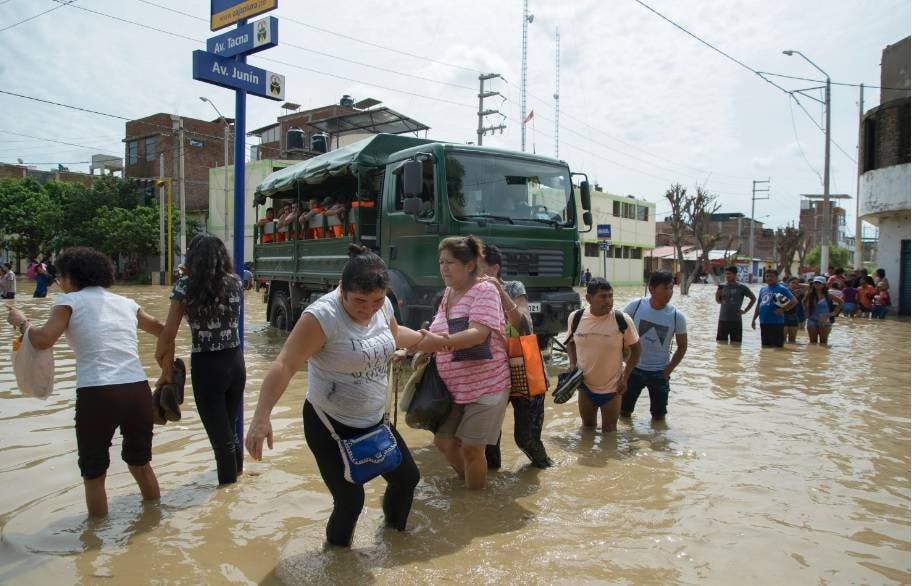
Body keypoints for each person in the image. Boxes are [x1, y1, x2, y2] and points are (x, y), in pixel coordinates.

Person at [245, 244, 424, 547]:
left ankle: (394, 541)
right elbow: (285, 364)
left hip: (374, 420)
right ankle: (338, 563)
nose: (368, 310)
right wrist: (261, 417)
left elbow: (394, 335)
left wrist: (428, 340)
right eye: (359, 302)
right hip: (330, 425)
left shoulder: (383, 306)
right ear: (342, 289)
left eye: (376, 301)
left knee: (407, 478)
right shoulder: (322, 316)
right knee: (351, 500)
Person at [6, 247, 164, 517]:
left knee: (94, 475)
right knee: (141, 464)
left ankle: (95, 545)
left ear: (70, 277)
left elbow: (44, 339)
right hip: (137, 390)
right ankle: (154, 521)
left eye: (60, 277)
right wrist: (167, 371)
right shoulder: (126, 303)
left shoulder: (69, 302)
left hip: (98, 393)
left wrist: (22, 323)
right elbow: (162, 329)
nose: (59, 283)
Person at [414, 236, 511, 490]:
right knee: (444, 443)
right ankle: (467, 483)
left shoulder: (485, 290)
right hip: (452, 389)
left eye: (451, 262)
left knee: (471, 449)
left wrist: (436, 344)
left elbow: (478, 334)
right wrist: (414, 349)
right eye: (441, 262)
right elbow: (437, 329)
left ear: (469, 265)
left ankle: (475, 505)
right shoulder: (448, 293)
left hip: (487, 386)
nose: (444, 268)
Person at [156, 234, 246, 486]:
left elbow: (169, 333)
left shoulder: (185, 285)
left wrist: (160, 359)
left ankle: (226, 498)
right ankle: (237, 481)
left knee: (221, 440)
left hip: (207, 367)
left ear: (192, 257)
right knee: (228, 429)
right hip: (236, 363)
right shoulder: (236, 282)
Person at [480, 244, 553, 469]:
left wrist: (498, 292)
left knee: (527, 439)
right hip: (490, 375)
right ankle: (489, 493)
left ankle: (546, 467)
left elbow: (523, 325)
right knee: (488, 443)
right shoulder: (470, 294)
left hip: (524, 372)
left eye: (477, 267)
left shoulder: (512, 288)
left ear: (494, 269)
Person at [567, 278, 641, 431]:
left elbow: (637, 350)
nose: (608, 301)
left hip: (613, 388)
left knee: (610, 432)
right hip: (585, 386)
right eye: (602, 296)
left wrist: (625, 377)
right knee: (587, 429)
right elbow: (570, 342)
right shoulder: (576, 318)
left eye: (610, 296)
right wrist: (572, 364)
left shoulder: (622, 320)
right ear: (589, 298)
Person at [620, 271, 687, 421]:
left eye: (671, 288)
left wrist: (668, 370)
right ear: (651, 289)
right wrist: (623, 360)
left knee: (659, 418)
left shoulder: (677, 316)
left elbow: (682, 347)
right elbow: (619, 333)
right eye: (665, 288)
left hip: (659, 373)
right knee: (623, 413)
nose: (669, 293)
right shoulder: (635, 306)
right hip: (633, 370)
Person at [751, 269, 797, 348]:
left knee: (777, 348)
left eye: (771, 276)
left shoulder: (781, 288)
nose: (769, 278)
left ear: (776, 277)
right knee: (765, 347)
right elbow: (759, 305)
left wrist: (783, 309)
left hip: (776, 323)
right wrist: (754, 319)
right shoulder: (763, 289)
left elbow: (794, 301)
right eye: (767, 276)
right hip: (764, 322)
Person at [715, 264, 756, 344]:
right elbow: (718, 301)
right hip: (723, 320)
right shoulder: (722, 286)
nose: (727, 276)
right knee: (721, 345)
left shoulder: (741, 287)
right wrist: (717, 294)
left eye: (729, 274)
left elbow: (753, 298)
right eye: (726, 274)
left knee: (736, 345)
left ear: (735, 274)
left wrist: (745, 311)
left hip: (736, 321)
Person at [805, 275, 843, 344]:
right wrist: (806, 312)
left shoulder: (828, 295)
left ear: (824, 285)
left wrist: (833, 313)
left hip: (824, 320)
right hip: (812, 320)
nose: (817, 285)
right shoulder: (810, 294)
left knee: (823, 343)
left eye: (819, 283)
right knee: (812, 343)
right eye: (815, 283)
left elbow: (841, 302)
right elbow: (803, 302)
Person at [784, 277, 809, 342]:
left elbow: (808, 286)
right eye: (793, 283)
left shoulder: (797, 292)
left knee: (792, 341)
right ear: (788, 284)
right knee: (782, 340)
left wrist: (798, 284)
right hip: (784, 316)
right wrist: (788, 284)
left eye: (796, 284)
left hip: (794, 316)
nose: (794, 285)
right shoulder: (783, 291)